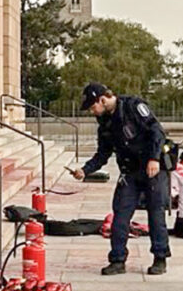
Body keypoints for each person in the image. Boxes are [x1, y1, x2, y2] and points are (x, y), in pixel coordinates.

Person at [73, 82, 171, 276]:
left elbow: (156, 131)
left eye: (94, 107)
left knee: (156, 213)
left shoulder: (133, 106)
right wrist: (85, 170)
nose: (93, 112)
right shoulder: (105, 124)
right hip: (130, 172)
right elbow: (103, 153)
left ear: (102, 99)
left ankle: (160, 257)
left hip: (152, 168)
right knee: (120, 215)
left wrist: (154, 158)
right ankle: (118, 259)